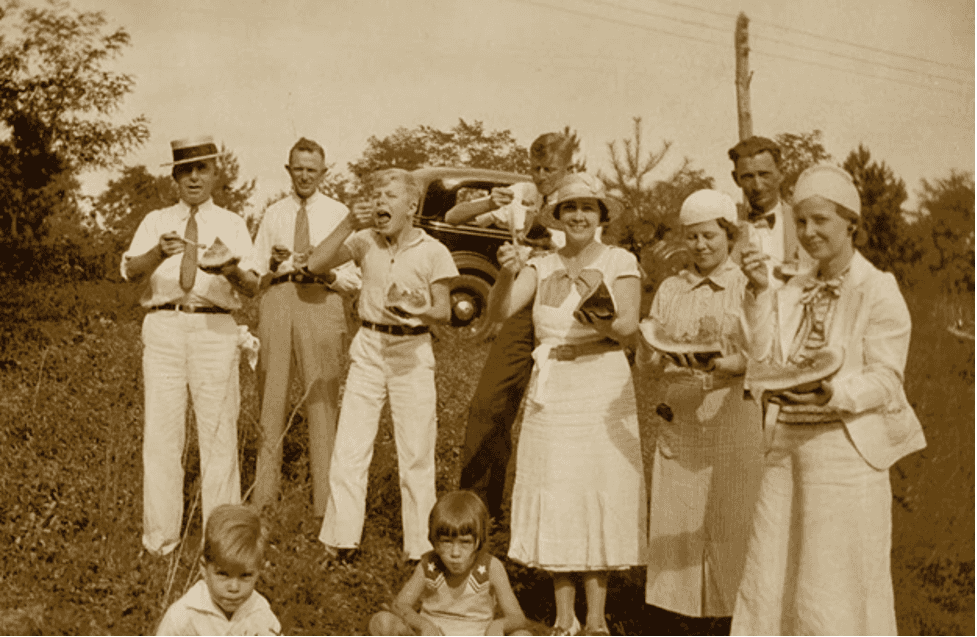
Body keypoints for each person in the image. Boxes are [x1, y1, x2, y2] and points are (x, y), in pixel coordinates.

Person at [732, 164, 926, 635]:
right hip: (785, 451)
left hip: (845, 453)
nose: (809, 231)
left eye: (821, 221)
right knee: (773, 571)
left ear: (851, 225)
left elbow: (886, 378)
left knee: (835, 583)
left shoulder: (878, 289)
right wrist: (760, 294)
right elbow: (763, 358)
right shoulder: (791, 288)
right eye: (801, 222)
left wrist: (834, 391)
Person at [488, 173, 647, 636]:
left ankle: (596, 618)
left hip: (601, 383)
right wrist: (504, 272)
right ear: (556, 216)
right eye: (570, 207)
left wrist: (602, 318)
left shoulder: (621, 260)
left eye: (589, 208)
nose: (579, 215)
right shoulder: (539, 264)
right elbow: (500, 312)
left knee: (596, 488)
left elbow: (631, 325)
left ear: (601, 216)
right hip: (552, 388)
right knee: (558, 490)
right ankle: (563, 618)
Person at [309, 169, 459, 562]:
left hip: (412, 352)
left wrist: (417, 308)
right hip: (370, 347)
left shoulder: (433, 251)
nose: (379, 202)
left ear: (411, 206)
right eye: (375, 195)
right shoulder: (362, 241)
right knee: (351, 447)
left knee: (416, 451)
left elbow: (443, 311)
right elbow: (314, 264)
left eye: (389, 196)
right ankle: (341, 542)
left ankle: (421, 550)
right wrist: (346, 223)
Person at [121, 136, 254, 557]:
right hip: (163, 326)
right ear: (174, 177)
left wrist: (229, 266)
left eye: (202, 169)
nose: (194, 177)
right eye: (185, 170)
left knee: (218, 435)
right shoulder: (155, 219)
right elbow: (128, 272)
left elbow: (251, 285)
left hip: (215, 330)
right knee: (162, 435)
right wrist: (156, 253)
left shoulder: (233, 223)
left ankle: (224, 544)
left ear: (216, 173)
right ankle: (159, 541)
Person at [638, 190, 763, 619]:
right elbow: (650, 362)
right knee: (678, 517)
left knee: (733, 519)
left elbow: (763, 354)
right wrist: (652, 346)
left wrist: (725, 364)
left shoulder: (749, 286)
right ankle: (677, 616)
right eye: (692, 238)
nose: (701, 246)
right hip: (682, 416)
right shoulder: (672, 288)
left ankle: (734, 615)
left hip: (732, 414)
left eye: (709, 236)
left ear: (728, 235)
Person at [446, 132, 574, 520]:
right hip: (522, 304)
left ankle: (555, 514)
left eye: (549, 169)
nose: (540, 176)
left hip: (565, 305)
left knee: (559, 413)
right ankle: (478, 508)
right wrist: (491, 200)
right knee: (490, 404)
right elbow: (453, 218)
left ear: (568, 167)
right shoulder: (523, 191)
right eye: (534, 168)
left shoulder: (583, 198)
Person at [242, 137, 360, 517]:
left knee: (322, 400)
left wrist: (322, 271)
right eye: (298, 168)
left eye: (312, 169)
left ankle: (326, 507)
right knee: (271, 401)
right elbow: (257, 272)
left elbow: (353, 280)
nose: (305, 175)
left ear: (324, 173)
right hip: (277, 302)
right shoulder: (273, 214)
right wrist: (276, 266)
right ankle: (264, 500)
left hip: (322, 302)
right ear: (288, 170)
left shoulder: (341, 214)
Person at [368, 491, 531, 636]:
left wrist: (499, 625)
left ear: (478, 542)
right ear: (435, 543)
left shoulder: (491, 567)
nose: (455, 553)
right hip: (434, 633)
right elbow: (400, 605)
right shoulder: (429, 565)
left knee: (522, 635)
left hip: (478, 633)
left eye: (465, 542)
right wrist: (424, 625)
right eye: (446, 542)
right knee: (381, 621)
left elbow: (518, 618)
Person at [156, 504, 281, 635]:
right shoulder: (184, 617)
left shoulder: (261, 614)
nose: (234, 587)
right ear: (204, 568)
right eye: (223, 574)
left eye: (245, 576)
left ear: (259, 570)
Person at [728, 136, 812, 280]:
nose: (758, 186)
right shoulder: (729, 231)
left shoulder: (807, 224)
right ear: (736, 179)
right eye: (748, 177)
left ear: (781, 173)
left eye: (764, 174)